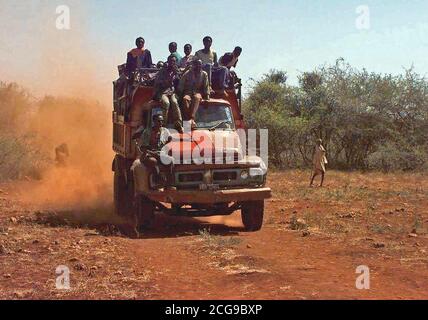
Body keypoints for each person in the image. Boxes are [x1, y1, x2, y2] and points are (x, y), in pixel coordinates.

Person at [132, 114, 175, 194]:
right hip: (148, 154)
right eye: (159, 121)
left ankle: (169, 185)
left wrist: (167, 145)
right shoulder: (147, 132)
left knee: (170, 160)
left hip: (160, 153)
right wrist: (153, 153)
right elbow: (143, 148)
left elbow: (170, 139)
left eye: (162, 121)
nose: (161, 123)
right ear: (154, 122)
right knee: (153, 162)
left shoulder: (165, 131)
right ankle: (157, 182)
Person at [153, 55, 183, 133]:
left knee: (175, 102)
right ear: (168, 62)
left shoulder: (176, 71)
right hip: (163, 92)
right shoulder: (162, 71)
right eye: (171, 61)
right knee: (166, 103)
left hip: (172, 92)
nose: (172, 63)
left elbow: (180, 83)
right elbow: (159, 83)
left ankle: (178, 124)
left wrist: (177, 74)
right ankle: (163, 125)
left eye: (174, 61)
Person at [177, 59, 210, 129]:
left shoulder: (204, 74)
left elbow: (206, 86)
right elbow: (181, 85)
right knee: (185, 99)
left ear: (202, 65)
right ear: (194, 65)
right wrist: (179, 96)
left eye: (200, 64)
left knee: (197, 98)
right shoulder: (187, 73)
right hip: (188, 92)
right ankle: (188, 121)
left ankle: (191, 118)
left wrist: (207, 97)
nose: (198, 66)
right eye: (197, 64)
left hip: (197, 92)